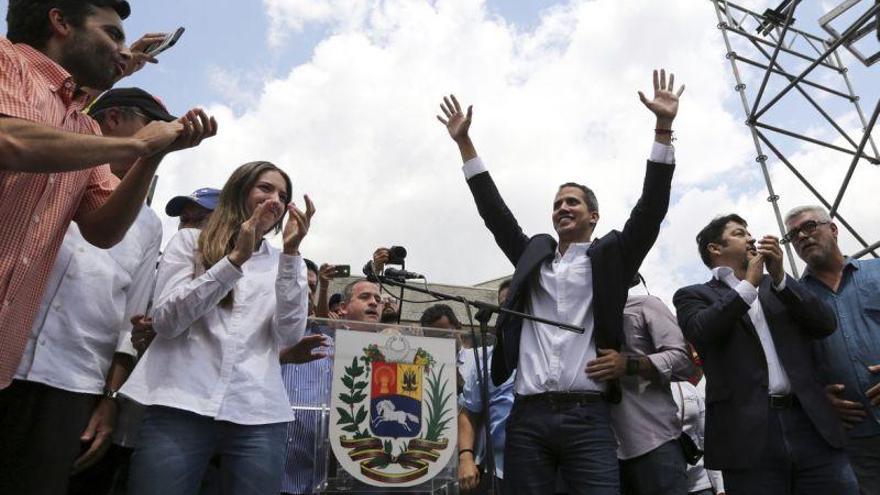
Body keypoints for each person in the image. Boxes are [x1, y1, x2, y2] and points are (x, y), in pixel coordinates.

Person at [437, 69, 684, 494]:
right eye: (556, 204)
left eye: (573, 202)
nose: (562, 208)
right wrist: (465, 145)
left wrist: (663, 130)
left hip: (588, 417)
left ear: (594, 216)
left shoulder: (611, 259)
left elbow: (651, 210)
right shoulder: (535, 261)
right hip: (528, 417)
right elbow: (495, 214)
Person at [0, 0, 217, 398]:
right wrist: (135, 143)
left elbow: (104, 229)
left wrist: (151, 156)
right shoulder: (6, 60)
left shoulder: (84, 127)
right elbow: (11, 139)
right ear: (60, 21)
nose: (124, 50)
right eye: (112, 34)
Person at [0, 86, 168, 495]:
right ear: (113, 121)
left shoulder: (148, 225)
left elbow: (130, 321)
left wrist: (109, 398)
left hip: (73, 384)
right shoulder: (40, 172)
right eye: (153, 128)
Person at [120, 161, 315, 495]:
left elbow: (289, 334)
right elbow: (166, 322)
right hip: (180, 403)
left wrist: (292, 253)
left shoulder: (285, 262)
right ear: (239, 190)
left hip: (258, 412)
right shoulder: (189, 243)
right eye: (265, 188)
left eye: (284, 195)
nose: (276, 199)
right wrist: (234, 260)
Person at [673, 214, 859, 495]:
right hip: (746, 436)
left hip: (809, 423)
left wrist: (782, 278)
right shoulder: (693, 295)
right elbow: (701, 331)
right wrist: (747, 286)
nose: (750, 238)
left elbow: (825, 323)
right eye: (739, 233)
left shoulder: (778, 287)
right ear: (715, 249)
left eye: (749, 232)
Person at [783, 205, 880, 494]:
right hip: (856, 437)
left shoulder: (877, 271)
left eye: (810, 226)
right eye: (793, 235)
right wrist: (819, 399)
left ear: (833, 229)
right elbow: (796, 365)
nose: (802, 236)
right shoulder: (794, 301)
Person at [609, 293, 694, 495]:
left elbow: (683, 362)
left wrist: (630, 364)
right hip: (596, 455)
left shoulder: (644, 306)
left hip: (654, 445)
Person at [280, 259, 334, 495]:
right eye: (299, 285)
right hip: (261, 475)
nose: (307, 293)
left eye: (312, 287)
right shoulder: (260, 337)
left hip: (316, 480)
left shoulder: (331, 345)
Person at [456, 283, 516, 495]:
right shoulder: (485, 358)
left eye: (516, 303)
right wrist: (465, 457)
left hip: (545, 467)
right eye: (503, 306)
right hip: (494, 470)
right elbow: (468, 411)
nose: (508, 311)